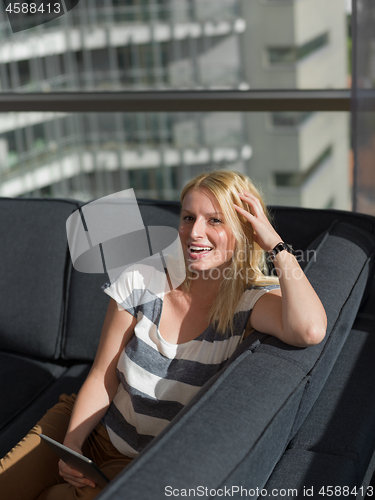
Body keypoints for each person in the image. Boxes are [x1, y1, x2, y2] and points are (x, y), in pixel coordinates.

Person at [0, 170, 327, 500]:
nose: (195, 232)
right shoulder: (142, 279)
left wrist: (274, 243)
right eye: (188, 217)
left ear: (244, 229)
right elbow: (102, 375)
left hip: (142, 463)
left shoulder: (251, 302)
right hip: (89, 427)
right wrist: (72, 442)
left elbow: (310, 329)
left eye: (215, 220)